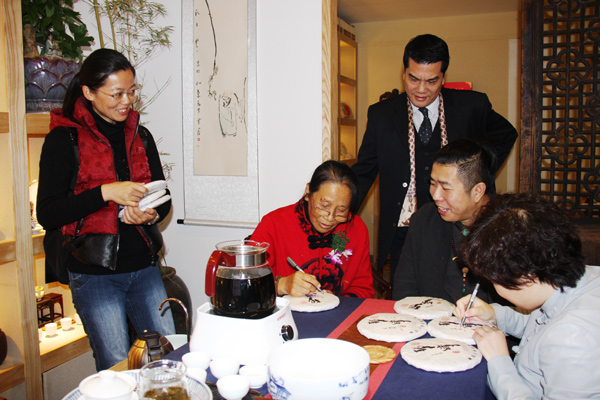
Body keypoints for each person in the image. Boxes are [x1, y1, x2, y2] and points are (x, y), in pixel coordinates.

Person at [36, 48, 174, 371]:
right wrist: (104, 193)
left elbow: (163, 196)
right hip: (94, 274)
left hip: (144, 266)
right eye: (117, 94)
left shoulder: (140, 135)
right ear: (88, 92)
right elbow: (48, 213)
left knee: (168, 357)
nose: (127, 101)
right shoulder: (64, 139)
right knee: (115, 368)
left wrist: (151, 213)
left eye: (132, 91)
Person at [352, 34, 518, 283]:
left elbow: (506, 135)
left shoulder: (471, 106)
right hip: (404, 227)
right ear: (404, 73)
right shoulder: (381, 114)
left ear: (443, 77)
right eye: (413, 79)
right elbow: (364, 171)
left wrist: (477, 172)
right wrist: (339, 212)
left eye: (432, 81)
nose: (421, 90)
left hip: (459, 224)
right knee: (405, 291)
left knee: (460, 289)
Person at [454, 193, 600, 399]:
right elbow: (542, 330)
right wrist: (497, 315)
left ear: (526, 275)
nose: (494, 286)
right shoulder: (578, 279)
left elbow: (556, 335)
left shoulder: (573, 338)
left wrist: (499, 361)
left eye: (494, 280)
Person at [392, 139, 502, 305]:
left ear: (478, 191)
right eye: (432, 183)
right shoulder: (424, 219)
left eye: (445, 188)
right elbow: (404, 289)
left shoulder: (507, 228)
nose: (435, 195)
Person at [251, 160, 375, 298]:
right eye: (324, 206)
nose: (330, 217)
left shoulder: (356, 228)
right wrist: (282, 285)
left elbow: (363, 289)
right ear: (308, 191)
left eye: (341, 210)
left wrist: (337, 301)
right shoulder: (273, 224)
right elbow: (247, 284)